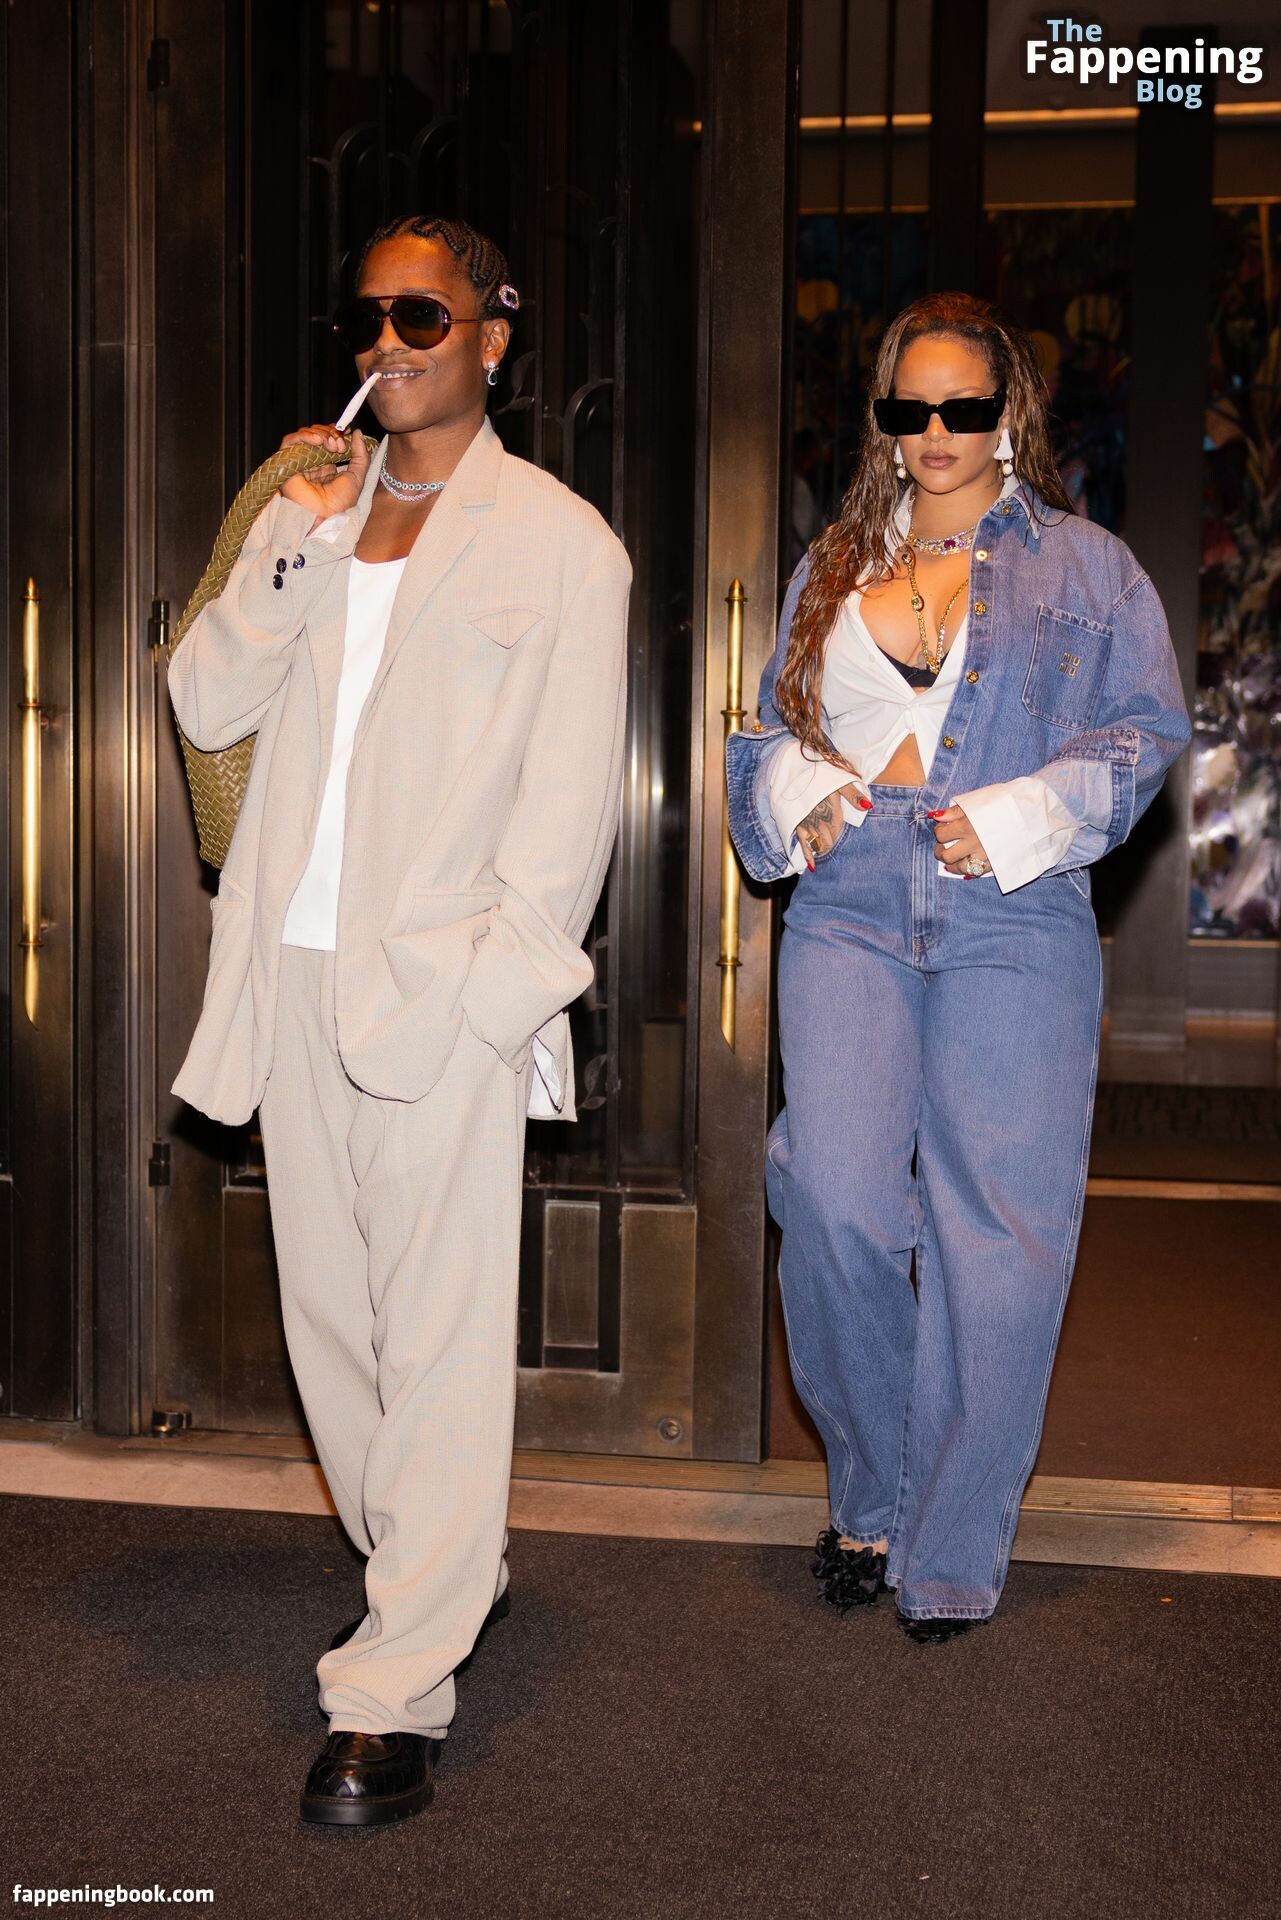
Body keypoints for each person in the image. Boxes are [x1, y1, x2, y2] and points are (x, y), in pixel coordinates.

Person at [168, 215, 631, 1823]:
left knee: (434, 1347)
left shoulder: (561, 545)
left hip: (443, 988)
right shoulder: (309, 510)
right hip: (289, 975)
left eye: (421, 314)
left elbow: (567, 819)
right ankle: (438, 1567)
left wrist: (495, 997)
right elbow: (203, 702)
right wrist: (290, 544)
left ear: (492, 333)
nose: (387, 340)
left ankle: (394, 1687)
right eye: (366, 313)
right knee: (335, 1339)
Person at [726, 292, 1190, 1643]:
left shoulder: (1089, 569)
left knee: (999, 1235)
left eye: (963, 406)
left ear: (1008, 415)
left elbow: (1145, 727)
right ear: (884, 418)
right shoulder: (829, 565)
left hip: (1013, 905)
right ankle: (869, 1491)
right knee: (832, 1199)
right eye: (908, 405)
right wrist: (798, 789)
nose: (934, 430)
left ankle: (943, 1544)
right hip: (852, 903)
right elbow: (765, 731)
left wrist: (1023, 813)